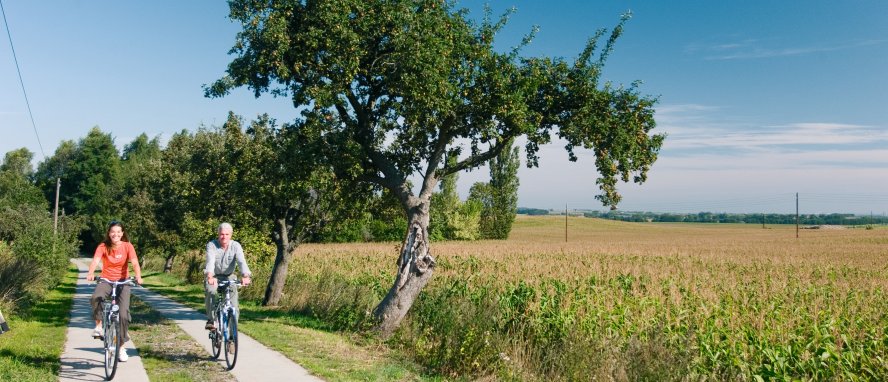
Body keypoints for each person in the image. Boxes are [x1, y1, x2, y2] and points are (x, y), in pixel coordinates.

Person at [87, 220, 143, 362]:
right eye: (113, 232)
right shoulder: (103, 246)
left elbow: (135, 262)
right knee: (96, 297)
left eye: (118, 232)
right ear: (109, 233)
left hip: (123, 282)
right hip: (106, 280)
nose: (115, 234)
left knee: (123, 315)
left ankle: (121, 347)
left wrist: (138, 276)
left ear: (122, 233)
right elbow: (95, 260)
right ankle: (99, 326)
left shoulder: (127, 246)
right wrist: (91, 272)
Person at [204, 222, 252, 330]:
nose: (224, 237)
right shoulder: (212, 245)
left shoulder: (236, 246)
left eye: (226, 234)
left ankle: (231, 338)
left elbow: (241, 261)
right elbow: (210, 261)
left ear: (231, 235)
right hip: (214, 276)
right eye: (221, 234)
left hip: (229, 277)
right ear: (218, 234)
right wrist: (210, 277)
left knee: (234, 305)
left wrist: (245, 275)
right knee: (210, 291)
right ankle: (211, 320)